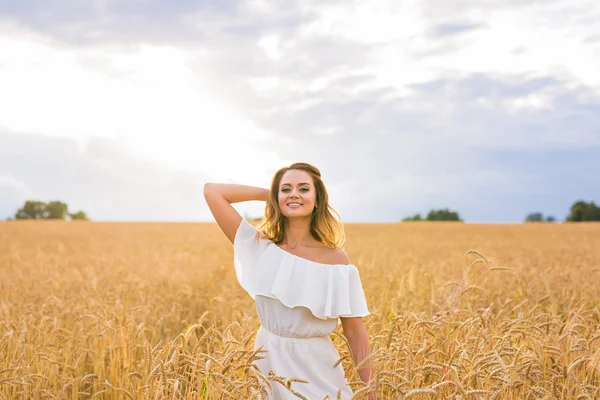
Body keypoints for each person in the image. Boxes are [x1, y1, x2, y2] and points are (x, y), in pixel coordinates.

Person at [203, 162, 375, 399]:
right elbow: (212, 191)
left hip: (318, 373)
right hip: (268, 369)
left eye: (304, 189)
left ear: (318, 199)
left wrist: (371, 390)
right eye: (286, 189)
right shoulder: (260, 249)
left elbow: (355, 331)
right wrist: (272, 195)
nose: (294, 194)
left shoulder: (336, 261)